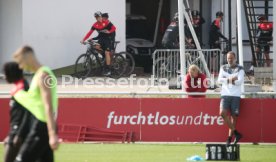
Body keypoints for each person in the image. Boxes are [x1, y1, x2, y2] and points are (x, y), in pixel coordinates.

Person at [12, 46, 59, 162]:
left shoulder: (43, 75)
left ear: (29, 57)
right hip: (43, 124)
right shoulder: (40, 74)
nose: (20, 67)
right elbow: (35, 101)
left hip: (41, 125)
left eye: (21, 62)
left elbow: (48, 105)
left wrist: (52, 134)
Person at [3, 62, 31, 162]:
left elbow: (27, 112)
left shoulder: (23, 88)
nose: (4, 77)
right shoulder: (18, 86)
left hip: (20, 134)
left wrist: (18, 134)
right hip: (15, 132)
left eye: (6, 74)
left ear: (12, 73)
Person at [217, 51, 244, 146]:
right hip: (225, 94)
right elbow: (219, 80)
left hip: (236, 96)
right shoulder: (223, 67)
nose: (229, 60)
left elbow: (239, 82)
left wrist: (226, 80)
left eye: (231, 58)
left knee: (234, 118)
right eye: (228, 58)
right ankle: (236, 133)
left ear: (235, 58)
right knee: (222, 113)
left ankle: (229, 139)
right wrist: (232, 79)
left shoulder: (240, 68)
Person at [81, 11, 116, 76]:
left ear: (101, 16)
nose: (98, 18)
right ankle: (104, 56)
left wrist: (109, 31)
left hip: (109, 39)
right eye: (96, 17)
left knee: (107, 52)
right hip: (101, 39)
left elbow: (114, 28)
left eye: (99, 17)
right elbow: (89, 32)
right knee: (95, 47)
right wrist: (83, 39)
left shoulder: (106, 22)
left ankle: (108, 70)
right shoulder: (95, 25)